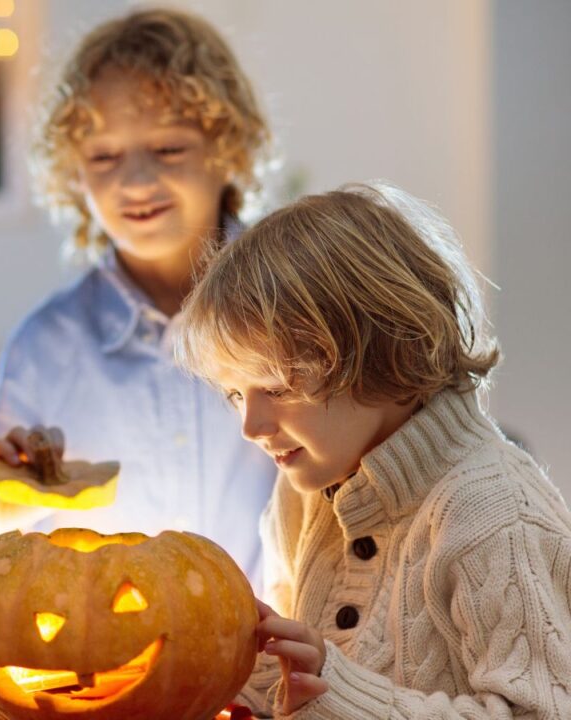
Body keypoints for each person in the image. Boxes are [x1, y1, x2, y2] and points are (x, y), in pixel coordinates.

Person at [174, 182, 571, 717]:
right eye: (236, 394)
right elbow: (292, 688)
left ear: (383, 353)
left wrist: (334, 690)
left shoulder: (496, 515)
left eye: (278, 389)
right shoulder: (305, 492)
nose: (252, 425)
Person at [0, 7, 276, 596]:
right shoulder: (46, 345)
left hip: (287, 672)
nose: (134, 181)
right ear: (73, 172)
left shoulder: (301, 306)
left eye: (167, 148)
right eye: (104, 157)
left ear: (228, 148)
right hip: (103, 671)